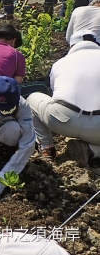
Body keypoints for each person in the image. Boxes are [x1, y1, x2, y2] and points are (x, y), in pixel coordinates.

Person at [28, 31, 100, 166]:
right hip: (98, 129)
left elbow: (55, 93)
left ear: (71, 46)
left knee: (32, 98)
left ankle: (46, 148)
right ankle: (91, 150)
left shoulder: (60, 63)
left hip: (62, 120)